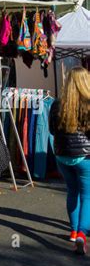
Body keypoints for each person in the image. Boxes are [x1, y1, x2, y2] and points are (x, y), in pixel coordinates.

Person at [49, 66, 90, 255]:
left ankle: (73, 231)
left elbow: (51, 130)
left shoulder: (57, 104)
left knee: (72, 192)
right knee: (87, 196)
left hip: (62, 155)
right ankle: (82, 234)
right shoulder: (88, 104)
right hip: (84, 157)